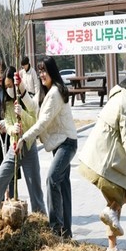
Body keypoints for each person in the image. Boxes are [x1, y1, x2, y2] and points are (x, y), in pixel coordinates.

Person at [78, 70, 126, 251]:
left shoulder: (119, 95)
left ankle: (112, 248)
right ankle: (111, 212)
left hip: (95, 158)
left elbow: (124, 132)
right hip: (103, 163)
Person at [17, 57, 78, 238]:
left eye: (45, 71)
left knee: (52, 179)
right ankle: (66, 233)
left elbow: (42, 122)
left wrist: (25, 138)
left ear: (52, 72)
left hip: (67, 143)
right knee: (63, 186)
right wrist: (20, 89)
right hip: (59, 144)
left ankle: (55, 229)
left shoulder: (56, 93)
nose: (42, 75)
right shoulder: (45, 92)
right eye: (40, 71)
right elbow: (32, 107)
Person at [0, 63, 45, 217]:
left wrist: (23, 114)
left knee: (35, 189)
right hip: (14, 147)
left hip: (28, 146)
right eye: (6, 86)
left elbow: (34, 122)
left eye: (10, 85)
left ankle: (42, 220)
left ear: (16, 83)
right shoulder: (6, 102)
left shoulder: (25, 97)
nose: (8, 89)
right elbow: (7, 122)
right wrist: (12, 129)